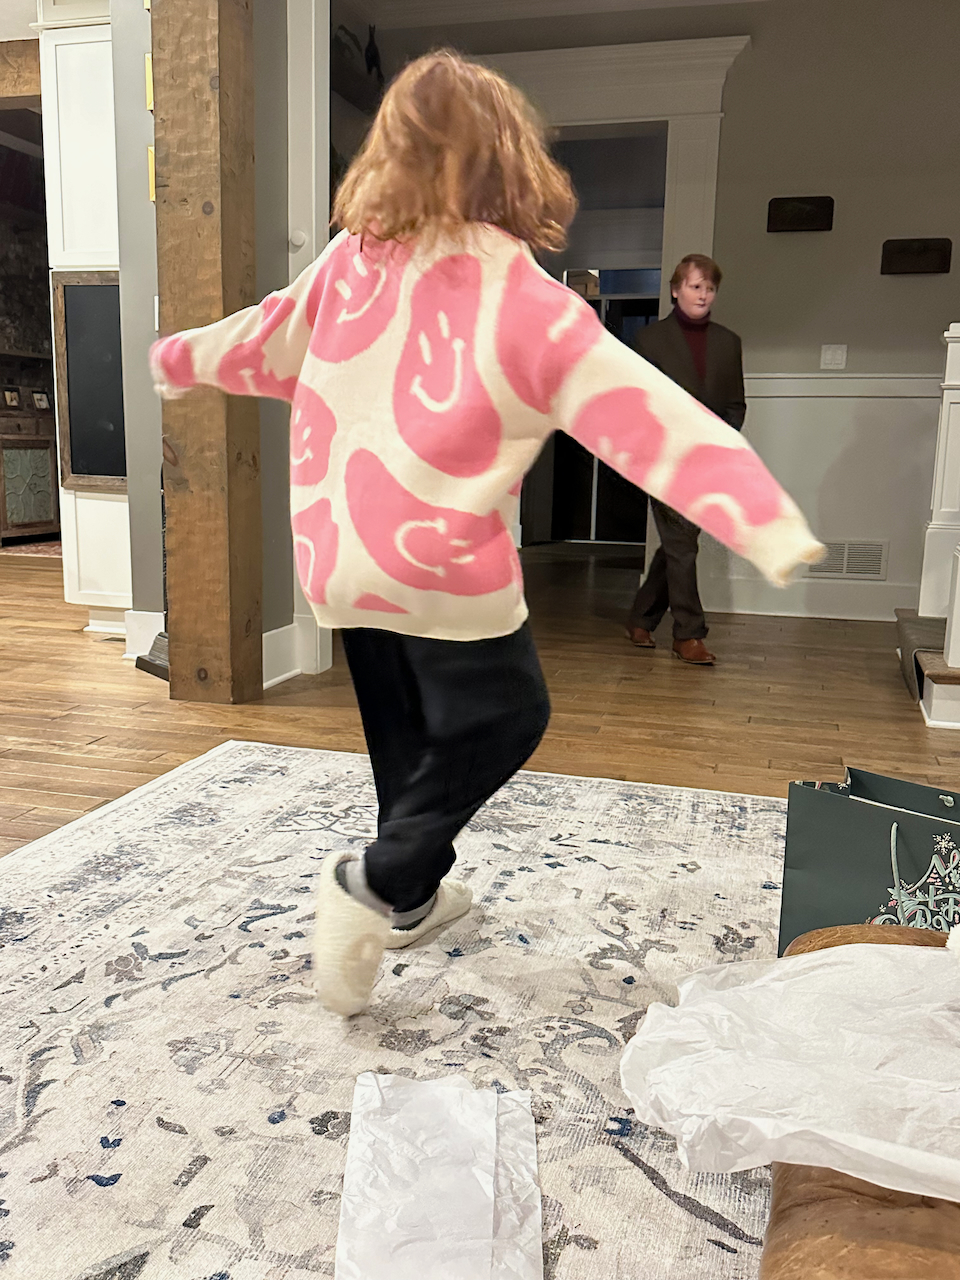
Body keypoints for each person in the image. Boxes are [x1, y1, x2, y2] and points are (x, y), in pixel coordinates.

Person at [150, 52, 822, 1018]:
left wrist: (178, 357)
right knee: (508, 714)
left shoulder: (345, 265)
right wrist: (761, 516)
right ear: (511, 166)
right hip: (440, 566)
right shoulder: (520, 293)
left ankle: (413, 898)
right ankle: (376, 883)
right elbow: (644, 412)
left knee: (405, 737)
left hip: (339, 561)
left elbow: (262, 334)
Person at [626, 255, 746, 665]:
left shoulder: (729, 343)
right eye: (695, 286)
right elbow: (638, 404)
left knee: (680, 545)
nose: (703, 294)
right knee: (682, 545)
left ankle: (641, 617)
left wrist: (719, 444)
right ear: (676, 290)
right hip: (663, 459)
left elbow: (736, 405)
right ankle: (688, 634)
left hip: (708, 459)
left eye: (710, 288)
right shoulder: (649, 340)